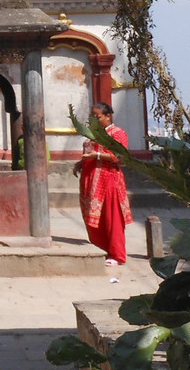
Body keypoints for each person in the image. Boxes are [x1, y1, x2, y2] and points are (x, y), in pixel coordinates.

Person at [72, 102, 133, 266]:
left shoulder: (118, 134)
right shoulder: (92, 134)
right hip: (90, 181)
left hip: (108, 181)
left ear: (108, 116)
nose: (94, 120)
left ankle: (117, 254)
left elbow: (121, 157)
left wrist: (97, 155)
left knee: (112, 218)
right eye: (92, 116)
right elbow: (88, 155)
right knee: (93, 218)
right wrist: (80, 163)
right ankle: (102, 249)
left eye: (97, 117)